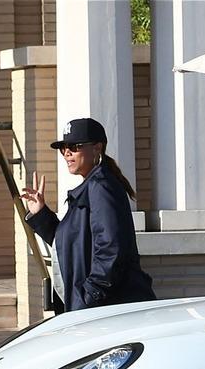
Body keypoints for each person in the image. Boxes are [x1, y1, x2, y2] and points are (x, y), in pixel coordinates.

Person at [21, 118, 156, 313]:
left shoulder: (101, 187)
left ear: (97, 148)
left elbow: (111, 249)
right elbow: (73, 244)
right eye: (63, 148)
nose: (67, 153)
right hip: (94, 308)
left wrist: (88, 296)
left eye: (74, 147)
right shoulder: (90, 188)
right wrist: (41, 214)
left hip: (106, 310)